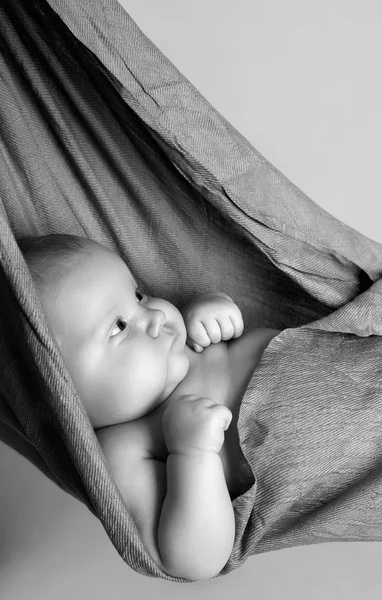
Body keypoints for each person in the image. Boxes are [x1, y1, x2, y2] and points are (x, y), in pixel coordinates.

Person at [17, 233, 281, 581]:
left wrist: (216, 309)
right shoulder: (122, 449)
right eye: (119, 327)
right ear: (61, 397)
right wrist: (193, 453)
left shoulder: (184, 339)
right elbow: (193, 560)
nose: (155, 314)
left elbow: (236, 323)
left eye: (138, 294)